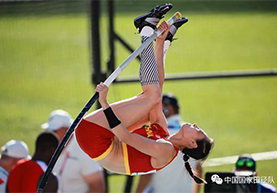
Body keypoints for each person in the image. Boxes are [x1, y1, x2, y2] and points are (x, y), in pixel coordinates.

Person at [75, 3, 213, 185]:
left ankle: (145, 29)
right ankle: (157, 38)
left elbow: (126, 137)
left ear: (192, 144)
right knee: (154, 99)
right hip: (106, 136)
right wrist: (162, 42)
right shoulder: (163, 134)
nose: (195, 125)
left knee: (152, 97)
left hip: (96, 140)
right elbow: (158, 90)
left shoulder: (166, 150)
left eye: (198, 130)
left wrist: (105, 103)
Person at [136, 93, 203, 193]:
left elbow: (147, 173)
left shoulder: (156, 136)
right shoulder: (192, 135)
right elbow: (199, 170)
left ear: (168, 109)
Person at [41, 109, 105, 193]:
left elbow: (98, 188)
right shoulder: (48, 149)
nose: (50, 135)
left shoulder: (84, 151)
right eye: (48, 131)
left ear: (67, 130)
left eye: (54, 131)